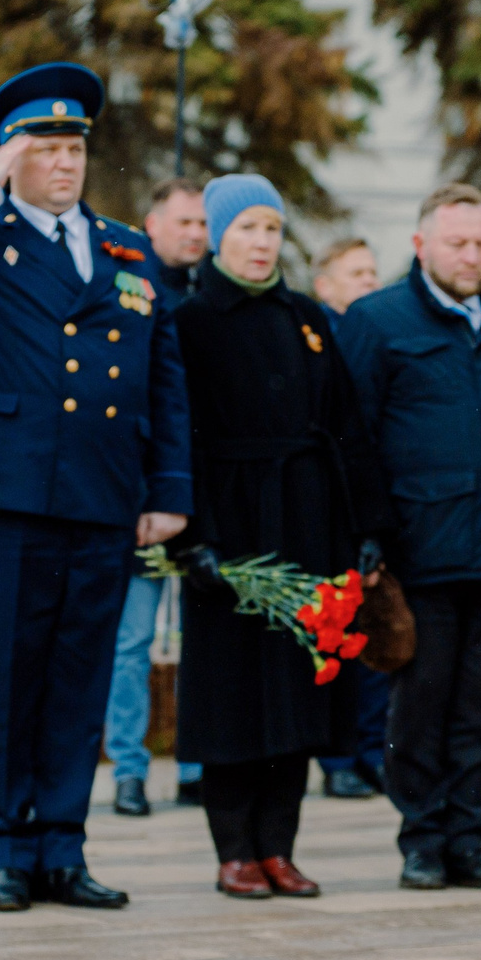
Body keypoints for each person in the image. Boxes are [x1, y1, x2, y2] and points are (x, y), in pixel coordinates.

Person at [0, 64, 191, 913]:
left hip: (101, 494)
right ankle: (5, 851)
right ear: (10, 157)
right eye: (43, 148)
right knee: (4, 680)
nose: (63, 163)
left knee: (78, 680)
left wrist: (167, 488)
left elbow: (163, 375)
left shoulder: (125, 248)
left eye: (73, 149)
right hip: (3, 495)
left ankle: (63, 844)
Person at [171, 176, 392, 896]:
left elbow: (347, 426)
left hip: (306, 520)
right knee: (234, 689)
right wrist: (192, 536)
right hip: (231, 528)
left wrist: (366, 525)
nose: (262, 242)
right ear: (218, 237)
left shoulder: (306, 316)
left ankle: (279, 845)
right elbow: (180, 435)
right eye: (247, 229)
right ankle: (234, 847)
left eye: (271, 228)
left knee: (300, 687)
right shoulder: (191, 320)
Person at [339, 182, 481, 891]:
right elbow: (352, 438)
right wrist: (368, 537)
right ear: (421, 245)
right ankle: (422, 839)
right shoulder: (378, 321)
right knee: (421, 705)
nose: (471, 256)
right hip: (422, 550)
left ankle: (467, 837)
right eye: (456, 243)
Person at [106, 177, 208, 817]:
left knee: (201, 640)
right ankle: (129, 768)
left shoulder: (213, 291)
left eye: (202, 223)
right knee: (132, 642)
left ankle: (196, 764)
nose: (196, 234)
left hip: (202, 496)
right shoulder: (130, 285)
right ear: (152, 224)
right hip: (145, 496)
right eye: (184, 222)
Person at [308, 235, 393, 800]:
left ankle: (370, 751)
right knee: (330, 637)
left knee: (373, 635)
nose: (370, 282)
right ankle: (336, 756)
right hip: (322, 507)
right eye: (356, 274)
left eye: (372, 272)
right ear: (326, 285)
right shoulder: (315, 338)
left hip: (369, 503)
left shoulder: (380, 335)